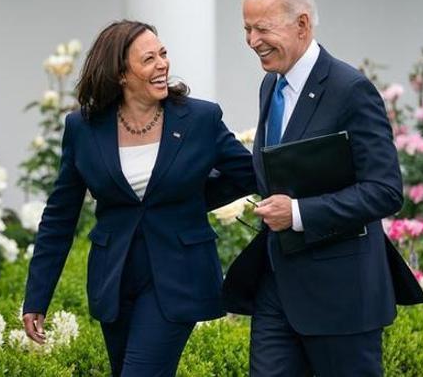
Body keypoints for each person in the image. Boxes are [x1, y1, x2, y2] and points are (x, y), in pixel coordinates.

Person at [22, 20, 257, 376]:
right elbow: (59, 216)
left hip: (178, 276)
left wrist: (192, 198)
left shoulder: (200, 119)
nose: (162, 64)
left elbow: (248, 173)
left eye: (163, 54)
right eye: (149, 59)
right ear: (120, 74)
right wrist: (37, 297)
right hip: (114, 279)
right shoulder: (83, 128)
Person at [225, 0, 423, 376]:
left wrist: (298, 213)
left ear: (302, 24)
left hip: (342, 295)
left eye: (262, 28)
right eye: (247, 29)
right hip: (277, 288)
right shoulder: (270, 85)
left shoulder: (351, 89)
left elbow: (385, 191)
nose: (252, 40)